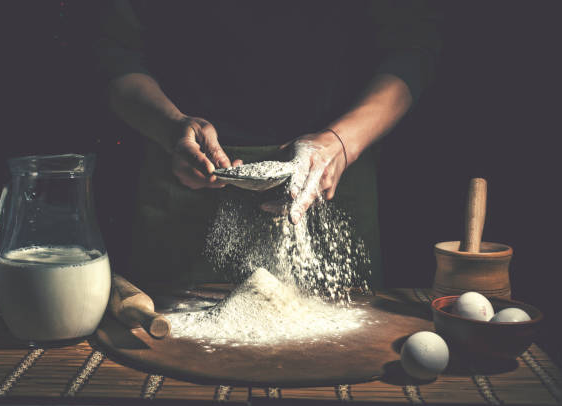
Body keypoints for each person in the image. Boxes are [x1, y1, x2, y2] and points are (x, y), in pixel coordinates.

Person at [96, 0, 442, 290]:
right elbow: (113, 55)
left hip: (325, 177)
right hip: (187, 178)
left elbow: (413, 48)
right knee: (172, 348)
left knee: (338, 350)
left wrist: (340, 142)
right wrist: (171, 127)